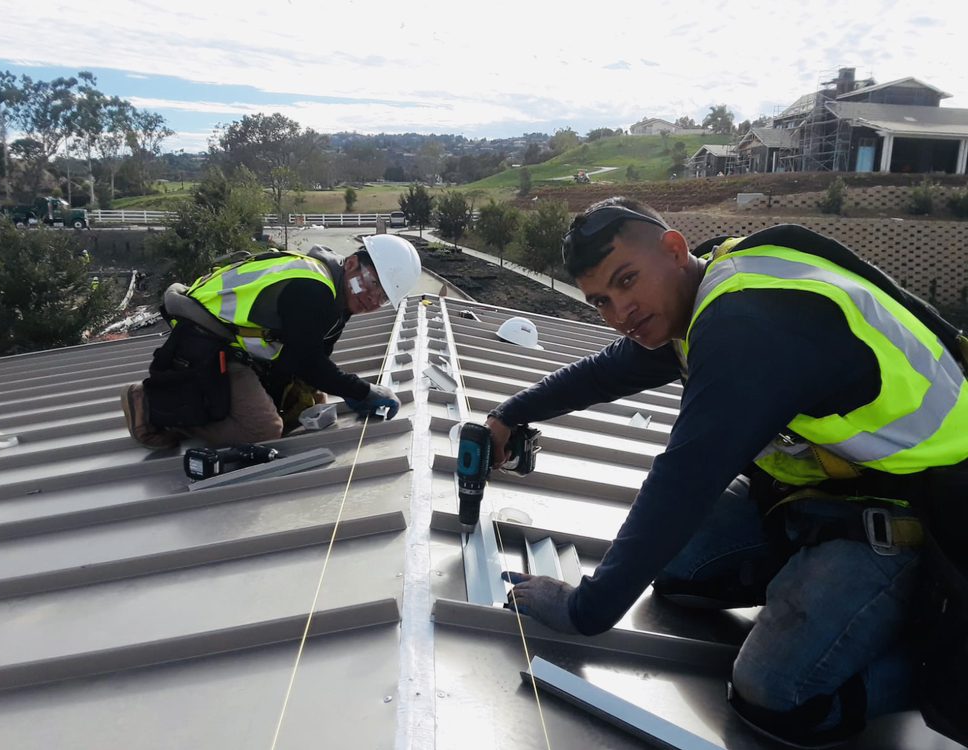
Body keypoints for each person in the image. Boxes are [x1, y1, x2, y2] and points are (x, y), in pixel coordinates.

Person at [489, 197, 968, 747]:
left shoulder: (746, 322)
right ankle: (823, 591)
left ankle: (930, 657)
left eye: (626, 282)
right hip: (825, 488)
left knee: (774, 695)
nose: (619, 312)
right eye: (601, 301)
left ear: (673, 249)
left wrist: (583, 611)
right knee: (678, 576)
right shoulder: (704, 284)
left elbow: (683, 481)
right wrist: (511, 413)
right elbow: (611, 370)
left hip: (914, 508)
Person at [121, 234, 421, 449]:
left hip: (242, 351)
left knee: (307, 404)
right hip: (207, 345)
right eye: (372, 285)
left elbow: (306, 359)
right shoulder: (313, 288)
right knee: (264, 429)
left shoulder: (340, 298)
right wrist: (362, 391)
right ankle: (149, 406)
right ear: (353, 263)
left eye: (383, 298)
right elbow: (307, 362)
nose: (372, 299)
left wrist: (314, 392)